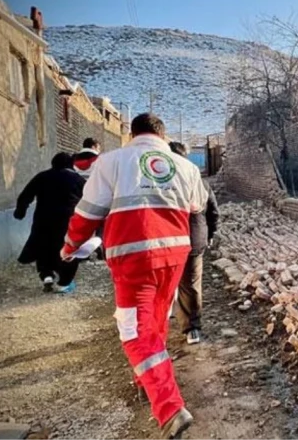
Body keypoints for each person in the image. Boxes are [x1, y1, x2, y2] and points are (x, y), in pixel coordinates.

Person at [61, 113, 208, 439]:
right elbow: (198, 205)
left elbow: (87, 213)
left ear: (131, 134)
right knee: (154, 322)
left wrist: (70, 246)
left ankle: (169, 408)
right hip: (174, 255)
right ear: (163, 135)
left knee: (135, 332)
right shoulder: (185, 166)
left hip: (134, 256)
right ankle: (145, 382)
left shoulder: (113, 161)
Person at [168, 141, 220, 345]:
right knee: (190, 283)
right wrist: (210, 234)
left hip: (165, 240)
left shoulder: (158, 182)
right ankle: (192, 328)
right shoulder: (199, 182)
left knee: (166, 280)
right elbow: (213, 212)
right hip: (193, 238)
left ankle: (166, 316)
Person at [15, 152, 86, 293]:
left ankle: (46, 275)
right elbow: (89, 198)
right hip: (67, 220)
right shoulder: (77, 179)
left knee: (44, 246)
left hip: (43, 219)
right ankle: (64, 282)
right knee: (66, 249)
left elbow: (25, 195)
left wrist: (20, 211)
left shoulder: (42, 176)